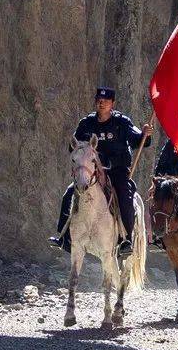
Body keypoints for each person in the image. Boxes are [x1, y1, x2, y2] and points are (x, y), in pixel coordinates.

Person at [51, 87, 152, 258]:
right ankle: (63, 237)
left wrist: (145, 134)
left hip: (117, 169)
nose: (101, 103)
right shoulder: (87, 123)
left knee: (124, 196)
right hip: (93, 172)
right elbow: (73, 146)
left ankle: (126, 239)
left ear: (113, 103)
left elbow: (139, 140)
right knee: (69, 192)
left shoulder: (122, 122)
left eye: (105, 101)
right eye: (99, 100)